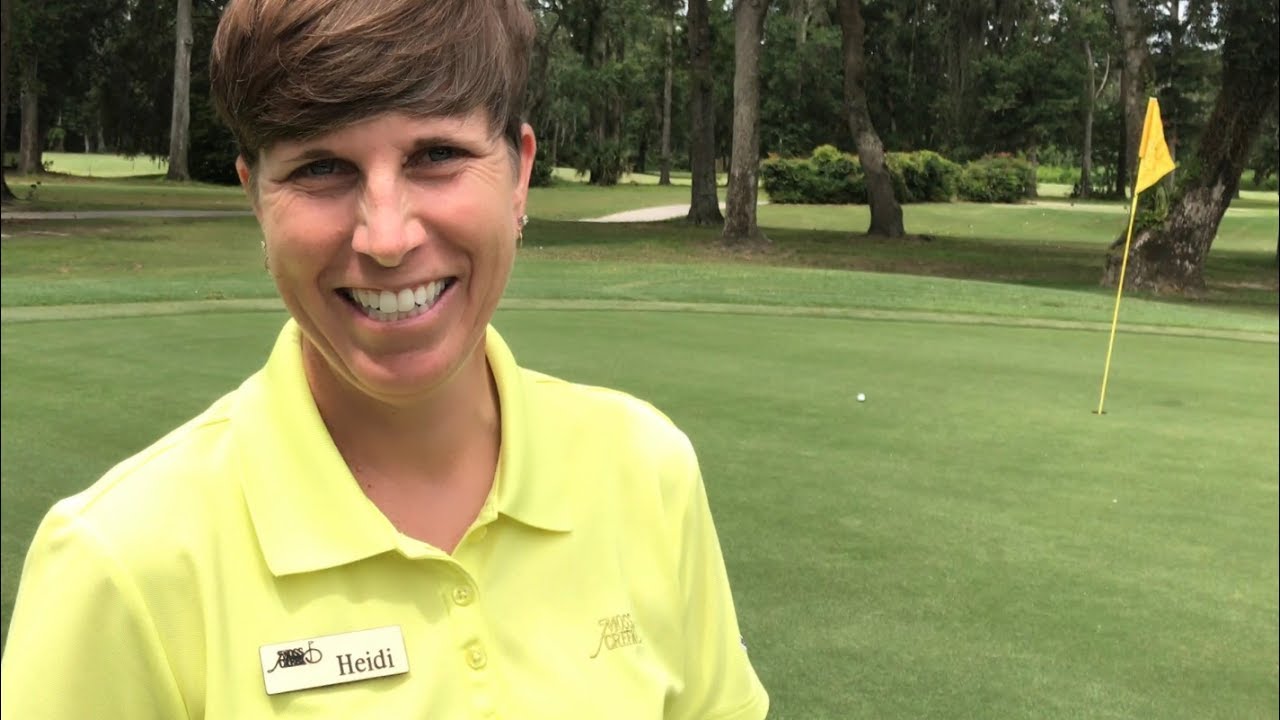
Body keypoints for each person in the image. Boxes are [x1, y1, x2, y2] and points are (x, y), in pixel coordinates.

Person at [0, 0, 768, 718]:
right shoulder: (118, 565)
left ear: (520, 173)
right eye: (319, 169)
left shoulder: (647, 471)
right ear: (256, 199)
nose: (387, 236)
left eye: (436, 153)